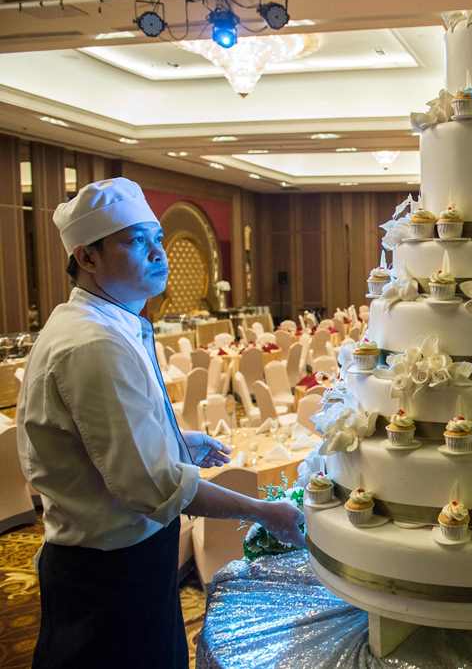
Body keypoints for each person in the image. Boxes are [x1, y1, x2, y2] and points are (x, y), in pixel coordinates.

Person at [17, 178, 305, 669]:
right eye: (136, 242)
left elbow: (103, 443)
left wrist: (174, 438)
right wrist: (263, 511)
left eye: (157, 239)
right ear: (87, 257)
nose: (158, 253)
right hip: (110, 570)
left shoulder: (107, 322)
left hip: (110, 557)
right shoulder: (94, 343)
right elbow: (152, 486)